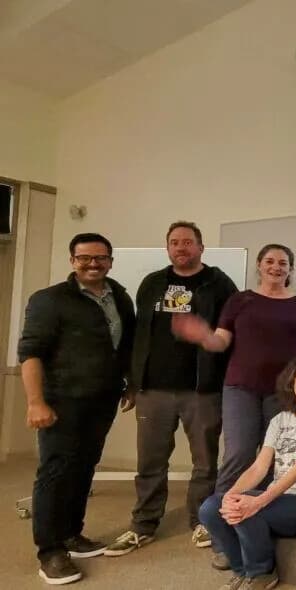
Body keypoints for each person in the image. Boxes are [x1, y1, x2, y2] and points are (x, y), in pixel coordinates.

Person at [172, 243, 296, 569]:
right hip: (241, 387)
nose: (276, 267)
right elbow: (221, 341)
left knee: (273, 460)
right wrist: (202, 335)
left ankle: (254, 525)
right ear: (259, 265)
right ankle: (222, 528)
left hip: (283, 393)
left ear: (291, 269)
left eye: (283, 262)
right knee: (239, 454)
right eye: (270, 261)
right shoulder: (240, 300)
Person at [103, 221, 238, 557]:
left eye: (188, 242)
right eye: (175, 242)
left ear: (201, 248)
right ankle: (144, 523)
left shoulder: (220, 284)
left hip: (202, 390)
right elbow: (137, 336)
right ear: (168, 248)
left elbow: (233, 334)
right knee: (150, 461)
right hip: (153, 391)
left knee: (205, 462)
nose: (181, 248)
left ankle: (202, 519)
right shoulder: (152, 284)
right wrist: (134, 382)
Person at [18, 233, 136, 585]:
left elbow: (124, 344)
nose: (93, 264)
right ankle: (50, 551)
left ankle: (72, 534)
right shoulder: (50, 300)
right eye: (84, 258)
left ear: (111, 261)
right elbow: (30, 352)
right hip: (60, 401)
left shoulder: (119, 295)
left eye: (100, 258)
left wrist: (129, 383)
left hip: (102, 401)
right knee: (55, 473)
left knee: (84, 468)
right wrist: (36, 401)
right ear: (72, 261)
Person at [199, 353, 296, 590]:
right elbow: (259, 466)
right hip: (280, 498)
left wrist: (259, 500)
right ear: (292, 380)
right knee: (211, 509)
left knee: (248, 509)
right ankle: (243, 571)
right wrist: (230, 497)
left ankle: (262, 572)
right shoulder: (279, 420)